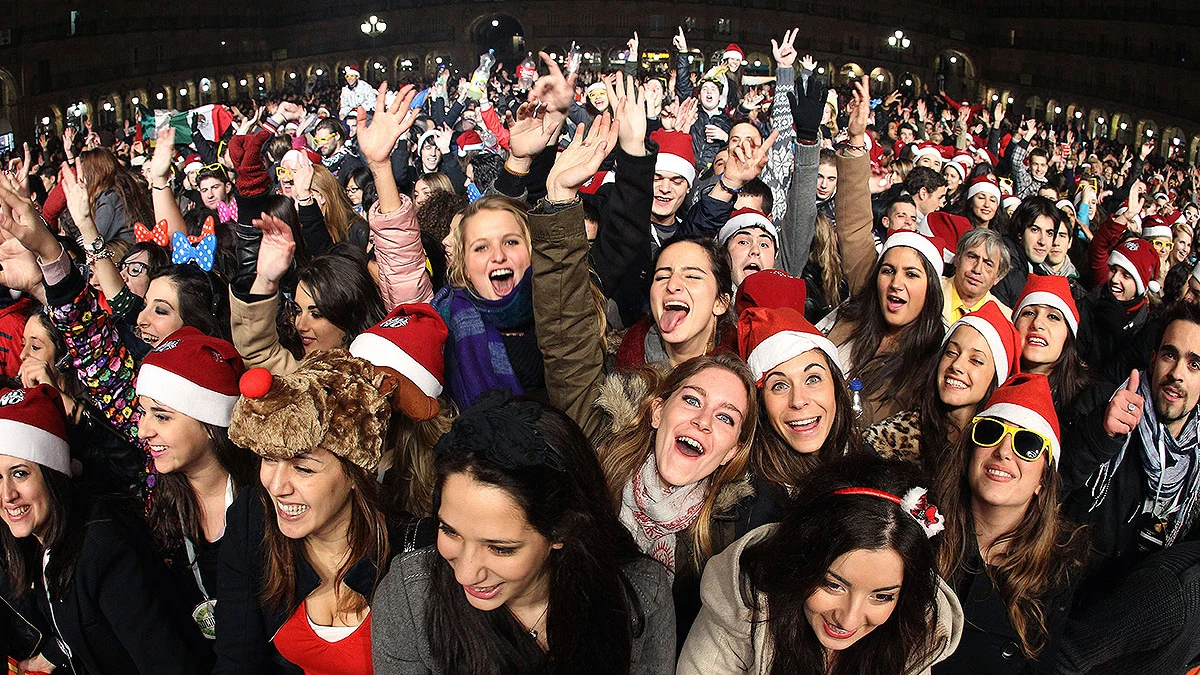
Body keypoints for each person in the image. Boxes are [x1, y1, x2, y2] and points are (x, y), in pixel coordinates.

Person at [370, 391, 676, 675]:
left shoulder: (640, 594)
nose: (465, 573)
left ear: (562, 530)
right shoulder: (410, 597)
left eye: (500, 548)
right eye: (450, 532)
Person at [677, 455, 963, 675]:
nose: (848, 619)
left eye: (882, 596)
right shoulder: (742, 596)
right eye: (833, 585)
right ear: (801, 561)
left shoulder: (916, 630)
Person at [0, 384, 214, 674]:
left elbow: (167, 664)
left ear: (55, 473)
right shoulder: (44, 544)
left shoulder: (103, 550)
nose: (7, 494)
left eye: (20, 473)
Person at [216, 351, 402, 675]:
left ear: (357, 474)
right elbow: (237, 662)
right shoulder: (252, 521)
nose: (276, 486)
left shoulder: (407, 553)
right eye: (269, 459)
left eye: (302, 468)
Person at [931, 374, 1087, 674]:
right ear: (969, 453)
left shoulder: (1058, 570)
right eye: (989, 432)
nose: (1003, 451)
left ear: (1043, 479)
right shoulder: (922, 530)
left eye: (1026, 444)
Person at [1062, 301, 1200, 598]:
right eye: (1169, 354)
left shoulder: (1197, 463)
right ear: (1152, 360)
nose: (1177, 373)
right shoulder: (1103, 402)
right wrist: (1100, 435)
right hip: (1065, 595)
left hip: (1130, 615)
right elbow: (1047, 484)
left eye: (1194, 364)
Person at [135, 325, 258, 640]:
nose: (143, 430)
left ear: (209, 424)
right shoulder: (160, 500)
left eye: (161, 416)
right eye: (142, 413)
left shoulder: (263, 499)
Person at [737, 291, 862, 526]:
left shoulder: (866, 459)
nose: (798, 400)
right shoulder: (753, 503)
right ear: (761, 404)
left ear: (837, 388)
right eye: (780, 385)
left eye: (813, 379)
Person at [867, 300, 1020, 468]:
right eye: (951, 352)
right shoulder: (888, 441)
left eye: (975, 360)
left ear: (996, 379)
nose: (956, 365)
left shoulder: (997, 457)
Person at [822, 230, 947, 425]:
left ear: (931, 289)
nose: (896, 284)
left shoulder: (932, 364)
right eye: (888, 271)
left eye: (911, 274)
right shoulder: (850, 319)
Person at [942, 228, 1013, 324]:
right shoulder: (928, 290)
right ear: (957, 259)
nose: (977, 270)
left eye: (988, 264)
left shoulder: (1005, 318)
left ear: (998, 277)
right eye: (972, 257)